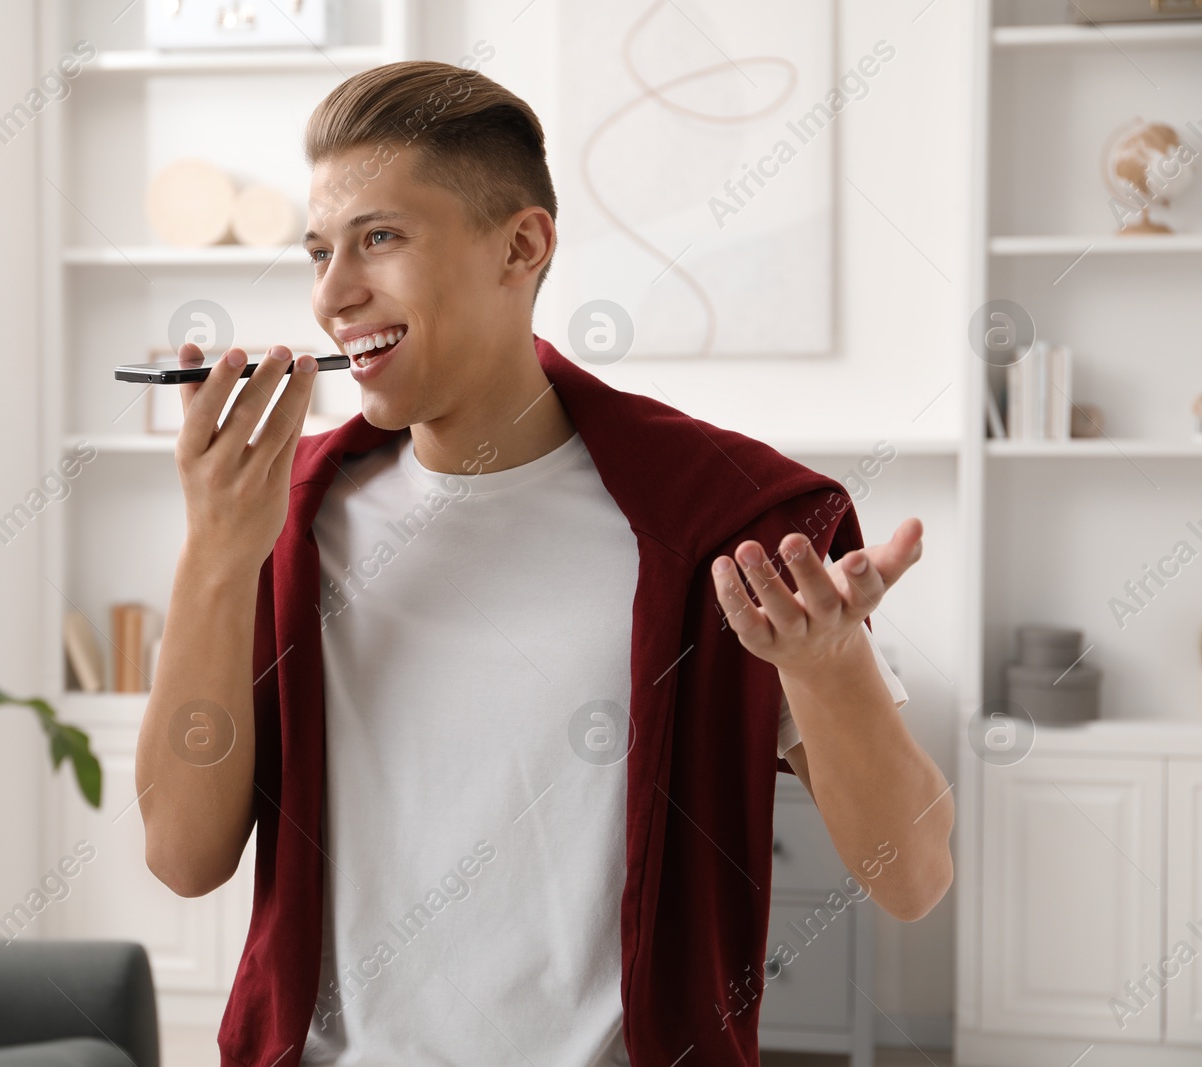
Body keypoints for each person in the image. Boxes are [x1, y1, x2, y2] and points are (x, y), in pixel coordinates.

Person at [135, 60, 952, 1067]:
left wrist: (829, 667)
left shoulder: (732, 524)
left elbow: (911, 875)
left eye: (379, 238)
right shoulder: (281, 515)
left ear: (520, 246)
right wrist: (217, 556)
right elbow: (182, 857)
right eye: (318, 253)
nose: (333, 295)